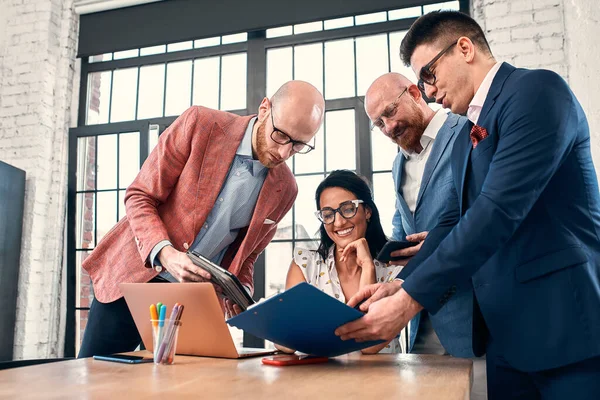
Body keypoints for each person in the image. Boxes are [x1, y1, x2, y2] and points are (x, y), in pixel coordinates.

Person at [336, 11, 600, 399]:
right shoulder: (466, 135)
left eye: (429, 74)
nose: (427, 91)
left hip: (564, 325)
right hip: (503, 335)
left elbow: (497, 211)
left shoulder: (537, 91)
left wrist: (410, 301)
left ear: (464, 48)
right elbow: (451, 222)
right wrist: (399, 286)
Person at [79, 81, 325, 358]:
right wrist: (167, 254)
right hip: (133, 277)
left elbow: (248, 255)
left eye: (298, 145)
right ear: (265, 109)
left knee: (180, 389)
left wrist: (239, 289)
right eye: (280, 136)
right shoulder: (200, 124)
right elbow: (140, 196)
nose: (283, 153)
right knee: (99, 382)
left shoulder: (286, 189)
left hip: (190, 302)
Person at [365, 72, 488, 398]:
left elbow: (489, 209)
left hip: (474, 313)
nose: (388, 127)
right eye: (379, 123)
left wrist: (439, 240)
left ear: (414, 93)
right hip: (421, 320)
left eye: (390, 112)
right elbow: (402, 230)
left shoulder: (467, 130)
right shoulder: (397, 165)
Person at [276, 170, 404, 354]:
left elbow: (368, 346)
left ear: (367, 211)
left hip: (379, 379)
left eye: (348, 209)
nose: (338, 223)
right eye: (328, 214)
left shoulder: (396, 269)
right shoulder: (305, 265)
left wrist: (368, 267)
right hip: (315, 378)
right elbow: (285, 341)